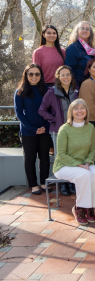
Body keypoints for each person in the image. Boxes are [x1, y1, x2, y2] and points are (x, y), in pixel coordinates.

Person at [53, 99, 95, 225]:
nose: (79, 111)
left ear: (86, 111)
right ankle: (79, 208)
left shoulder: (90, 127)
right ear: (71, 112)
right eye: (76, 108)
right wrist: (78, 165)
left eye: (82, 108)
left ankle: (89, 206)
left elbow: (93, 149)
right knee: (84, 175)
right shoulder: (64, 129)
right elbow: (61, 154)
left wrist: (87, 163)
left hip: (84, 164)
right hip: (64, 166)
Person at [38, 65, 79, 196]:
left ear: (71, 76)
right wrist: (54, 119)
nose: (66, 77)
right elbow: (42, 110)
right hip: (58, 130)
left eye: (68, 74)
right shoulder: (51, 92)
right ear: (58, 77)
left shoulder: (76, 91)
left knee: (73, 155)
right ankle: (63, 184)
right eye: (63, 75)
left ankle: (72, 182)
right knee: (61, 156)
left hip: (74, 129)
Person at [15, 63, 50, 195]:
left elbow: (51, 110)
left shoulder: (47, 90)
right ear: (26, 75)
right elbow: (19, 113)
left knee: (44, 158)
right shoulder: (20, 92)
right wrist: (32, 128)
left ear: (41, 75)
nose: (34, 76)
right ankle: (33, 185)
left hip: (44, 130)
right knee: (30, 159)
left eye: (37, 74)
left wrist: (45, 127)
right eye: (31, 74)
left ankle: (43, 182)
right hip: (28, 132)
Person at [65, 21, 95, 85]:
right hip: (80, 85)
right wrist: (76, 88)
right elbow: (69, 71)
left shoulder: (91, 48)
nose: (85, 31)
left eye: (87, 29)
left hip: (91, 84)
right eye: (82, 28)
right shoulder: (73, 48)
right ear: (77, 31)